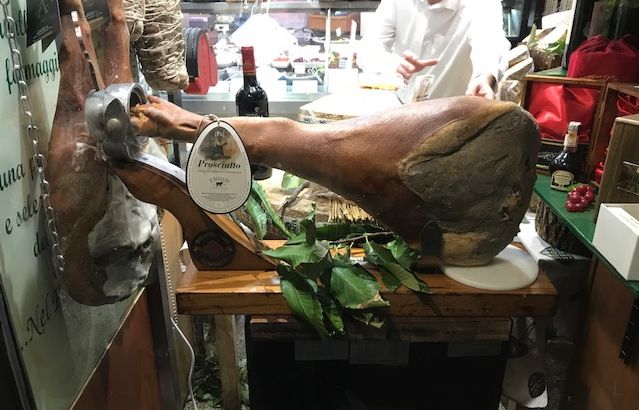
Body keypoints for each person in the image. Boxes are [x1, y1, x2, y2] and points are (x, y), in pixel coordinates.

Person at [357, 0, 510, 101]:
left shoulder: (481, 4)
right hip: (401, 111)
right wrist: (394, 64)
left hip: (455, 117)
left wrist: (483, 77)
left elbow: (489, 42)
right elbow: (367, 50)